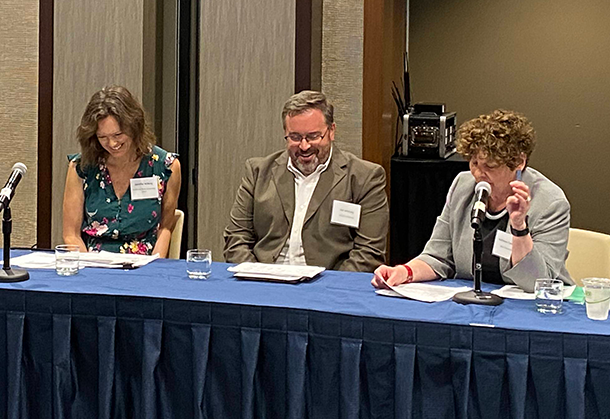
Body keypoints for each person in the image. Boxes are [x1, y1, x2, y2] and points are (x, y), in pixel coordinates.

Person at [372, 109, 570, 292]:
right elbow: (437, 256)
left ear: (519, 162)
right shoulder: (463, 186)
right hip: (471, 304)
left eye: (490, 166)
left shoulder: (549, 202)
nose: (478, 173)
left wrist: (519, 227)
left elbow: (539, 282)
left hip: (532, 309)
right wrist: (405, 272)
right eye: (474, 163)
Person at [223, 90, 388, 271]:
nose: (304, 146)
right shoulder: (258, 172)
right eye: (295, 137)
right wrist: (256, 277)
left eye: (313, 136)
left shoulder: (364, 178)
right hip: (265, 282)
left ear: (331, 131)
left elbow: (369, 253)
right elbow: (236, 238)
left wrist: (327, 289)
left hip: (327, 286)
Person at [63, 86, 181, 255]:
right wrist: (88, 269)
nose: (112, 144)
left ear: (134, 127)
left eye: (118, 135)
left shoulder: (166, 166)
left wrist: (155, 268)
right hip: (93, 263)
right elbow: (71, 235)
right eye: (103, 137)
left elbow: (165, 228)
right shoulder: (82, 168)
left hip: (144, 265)